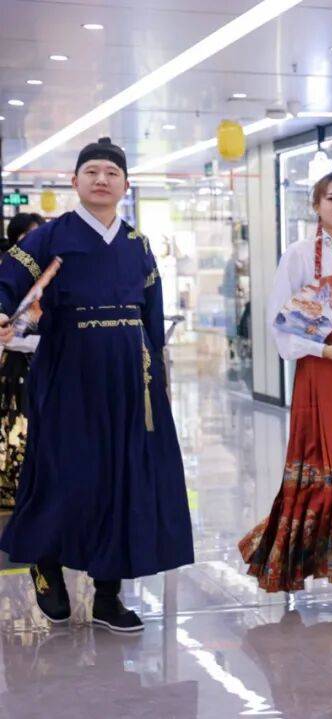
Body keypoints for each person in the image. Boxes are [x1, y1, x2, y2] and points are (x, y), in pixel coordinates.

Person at [0, 137, 193, 633]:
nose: (102, 179)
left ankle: (108, 594)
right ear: (75, 181)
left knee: (121, 475)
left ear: (125, 185)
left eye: (111, 172)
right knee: (63, 469)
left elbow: (151, 316)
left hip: (130, 375)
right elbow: (8, 280)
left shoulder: (138, 245)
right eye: (92, 171)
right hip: (68, 369)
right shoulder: (50, 237)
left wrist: (157, 380)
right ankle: (45, 561)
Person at [239, 172, 332, 593]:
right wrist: (322, 349)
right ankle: (320, 558)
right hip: (319, 371)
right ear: (316, 205)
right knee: (322, 464)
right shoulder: (298, 255)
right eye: (331, 198)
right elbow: (281, 320)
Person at [0, 213, 45, 509]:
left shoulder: (51, 277)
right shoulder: (8, 277)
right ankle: (14, 486)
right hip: (15, 365)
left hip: (44, 363)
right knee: (16, 423)